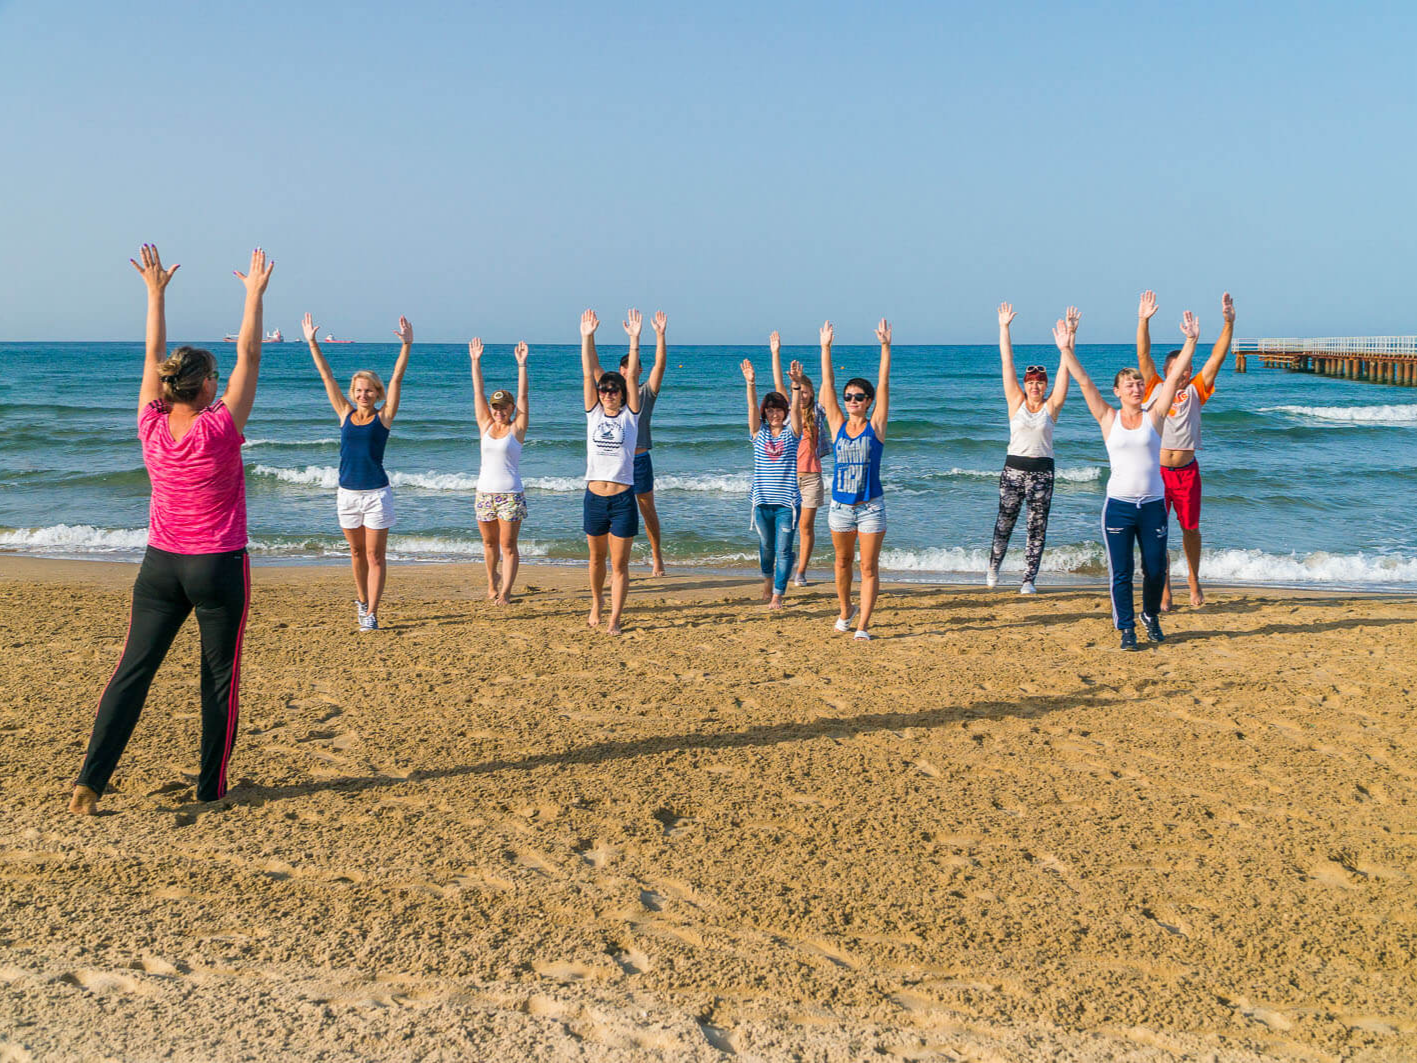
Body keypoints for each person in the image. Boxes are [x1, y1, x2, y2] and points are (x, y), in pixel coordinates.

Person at [70, 245, 273, 815]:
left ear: (168, 386)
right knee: (219, 679)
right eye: (216, 377)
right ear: (205, 384)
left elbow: (151, 355)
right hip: (217, 565)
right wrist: (253, 296)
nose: (220, 383)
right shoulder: (219, 426)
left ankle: (90, 783)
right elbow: (251, 354)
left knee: (131, 672)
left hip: (160, 565)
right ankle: (210, 788)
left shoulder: (150, 423)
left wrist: (154, 295)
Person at [1061, 309, 1199, 650]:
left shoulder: (1156, 415)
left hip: (1153, 505)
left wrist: (1191, 341)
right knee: (1121, 572)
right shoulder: (1108, 418)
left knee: (1155, 570)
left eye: (1139, 383)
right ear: (1118, 392)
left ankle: (1150, 615)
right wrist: (1066, 349)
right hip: (1119, 507)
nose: (1137, 387)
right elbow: (1083, 382)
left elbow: (1175, 377)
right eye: (1130, 384)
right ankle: (1126, 629)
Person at [302, 312, 413, 631]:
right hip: (347, 494)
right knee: (356, 552)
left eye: (369, 391)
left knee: (375, 556)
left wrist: (406, 345)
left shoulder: (384, 417)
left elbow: (396, 379)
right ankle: (362, 601)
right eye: (359, 390)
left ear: (377, 393)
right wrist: (312, 343)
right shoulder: (344, 413)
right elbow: (326, 377)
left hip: (377, 494)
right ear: (353, 393)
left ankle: (372, 613)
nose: (364, 395)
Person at [1137, 290, 1236, 610]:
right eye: (1179, 368)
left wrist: (1228, 323)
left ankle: (1193, 580)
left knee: (1191, 529)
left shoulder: (1195, 391)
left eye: (1188, 368)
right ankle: (1164, 588)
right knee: (1158, 532)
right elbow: (1143, 355)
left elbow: (1216, 358)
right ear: (1168, 370)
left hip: (1186, 473)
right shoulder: (1153, 388)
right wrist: (1143, 321)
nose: (1184, 373)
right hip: (1157, 473)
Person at [986, 303, 1074, 594]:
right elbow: (1007, 363)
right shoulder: (1016, 402)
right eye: (1031, 382)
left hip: (1042, 474)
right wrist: (1004, 327)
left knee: (1036, 529)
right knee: (1005, 523)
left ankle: (1028, 580)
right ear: (1025, 385)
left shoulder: (1052, 406)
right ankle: (993, 567)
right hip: (1012, 472)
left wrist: (1069, 341)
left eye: (1040, 383)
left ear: (1046, 386)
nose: (1035, 386)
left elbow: (1065, 373)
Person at [820, 318, 892, 640]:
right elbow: (827, 385)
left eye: (859, 397)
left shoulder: (875, 426)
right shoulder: (837, 424)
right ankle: (845, 610)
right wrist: (825, 348)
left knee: (867, 567)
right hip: (840, 507)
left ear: (868, 401)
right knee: (842, 562)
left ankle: (862, 625)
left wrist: (885, 348)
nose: (852, 401)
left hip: (870, 507)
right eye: (849, 396)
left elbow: (884, 383)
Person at [581, 308, 642, 634]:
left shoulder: (630, 416)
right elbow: (587, 372)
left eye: (613, 390)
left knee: (619, 564)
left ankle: (615, 618)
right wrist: (587, 337)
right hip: (594, 497)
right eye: (603, 390)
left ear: (622, 394)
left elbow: (631, 378)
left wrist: (634, 340)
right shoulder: (594, 413)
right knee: (595, 560)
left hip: (622, 499)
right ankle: (596, 601)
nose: (607, 394)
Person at [741, 355, 804, 609]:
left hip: (787, 504)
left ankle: (778, 594)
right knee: (767, 547)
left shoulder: (792, 433)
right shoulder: (759, 433)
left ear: (784, 412)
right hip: (762, 502)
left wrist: (796, 387)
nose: (774, 413)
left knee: (783, 550)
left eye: (778, 409)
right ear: (764, 413)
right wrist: (751, 384)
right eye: (770, 410)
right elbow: (751, 408)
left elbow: (797, 411)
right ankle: (768, 581)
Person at [471, 339, 530, 604]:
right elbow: (478, 393)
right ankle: (492, 584)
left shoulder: (517, 429)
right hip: (484, 493)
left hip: (510, 495)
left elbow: (524, 397)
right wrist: (475, 362)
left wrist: (522, 365)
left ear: (511, 408)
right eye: (495, 407)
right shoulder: (485, 425)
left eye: (504, 407)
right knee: (489, 544)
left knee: (508, 545)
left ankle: (505, 591)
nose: (499, 411)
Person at [610, 311, 669, 575]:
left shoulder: (646, 393)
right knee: (617, 513)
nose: (629, 371)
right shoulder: (611, 397)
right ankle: (618, 564)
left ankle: (657, 556)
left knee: (647, 511)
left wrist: (660, 335)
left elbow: (660, 366)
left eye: (633, 367)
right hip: (615, 461)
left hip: (640, 459)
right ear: (621, 371)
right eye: (625, 368)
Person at [770, 331, 830, 585]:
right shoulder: (787, 413)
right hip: (786, 478)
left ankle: (801, 571)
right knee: (785, 526)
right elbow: (779, 385)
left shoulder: (818, 411)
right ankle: (786, 562)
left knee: (805, 526)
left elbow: (828, 382)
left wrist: (825, 347)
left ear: (812, 393)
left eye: (806, 392)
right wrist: (775, 353)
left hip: (811, 477)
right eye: (799, 391)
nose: (802, 395)